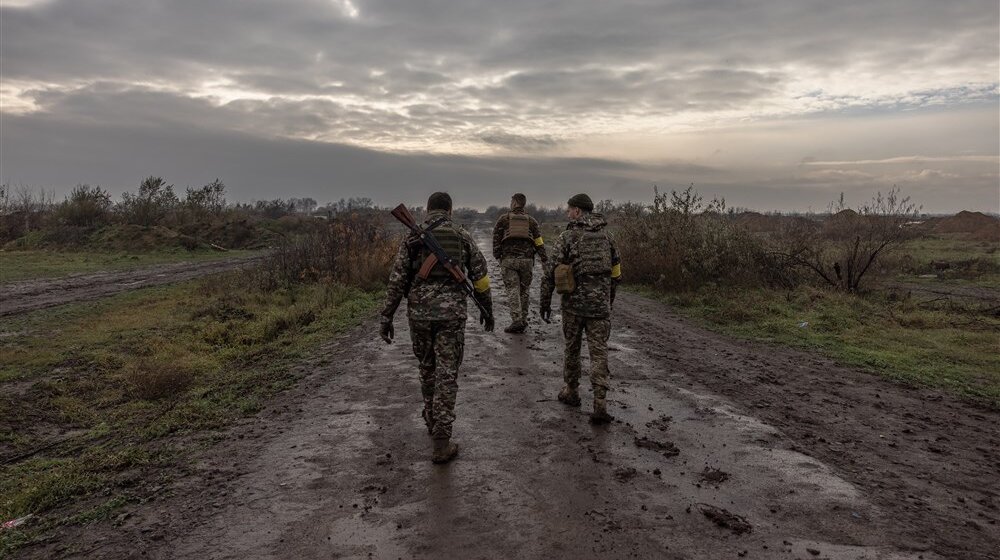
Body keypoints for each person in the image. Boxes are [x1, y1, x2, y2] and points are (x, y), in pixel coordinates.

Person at [380, 192, 494, 463]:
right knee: (447, 374)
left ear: (428, 210)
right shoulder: (460, 234)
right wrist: (487, 309)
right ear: (450, 210)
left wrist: (387, 317)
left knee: (427, 368)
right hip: (451, 315)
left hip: (419, 315)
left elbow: (397, 281)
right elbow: (480, 274)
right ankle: (441, 439)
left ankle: (433, 419)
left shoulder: (412, 239)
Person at [540, 193, 622, 424]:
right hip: (599, 307)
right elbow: (616, 272)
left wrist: (544, 302)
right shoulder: (608, 236)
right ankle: (600, 402)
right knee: (599, 352)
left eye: (569, 210)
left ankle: (572, 391)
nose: (567, 213)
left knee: (572, 349)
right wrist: (608, 299)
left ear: (577, 211)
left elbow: (550, 273)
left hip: (573, 307)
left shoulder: (567, 237)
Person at [492, 193, 548, 333]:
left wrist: (498, 255)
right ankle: (523, 319)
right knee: (524, 291)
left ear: (515, 202)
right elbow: (539, 241)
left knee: (512, 290)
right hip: (527, 261)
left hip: (509, 260)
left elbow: (496, 238)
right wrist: (544, 258)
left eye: (511, 201)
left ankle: (516, 320)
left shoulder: (504, 219)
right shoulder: (531, 221)